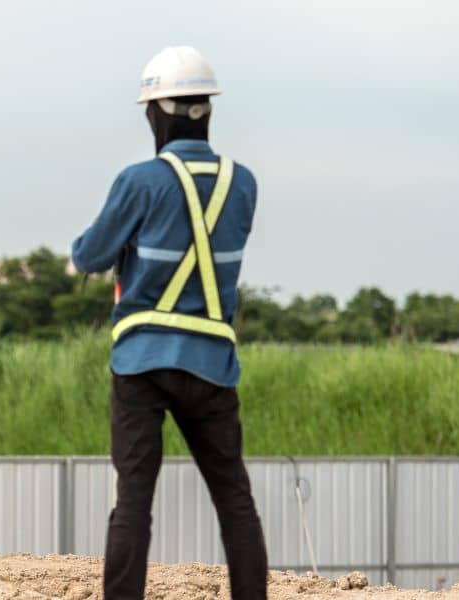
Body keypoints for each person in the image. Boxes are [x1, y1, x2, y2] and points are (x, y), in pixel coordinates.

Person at [71, 47, 268, 599]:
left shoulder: (141, 181)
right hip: (213, 363)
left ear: (157, 113)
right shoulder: (243, 184)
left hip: (141, 361)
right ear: (207, 109)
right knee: (234, 498)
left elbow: (90, 254)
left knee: (133, 499)